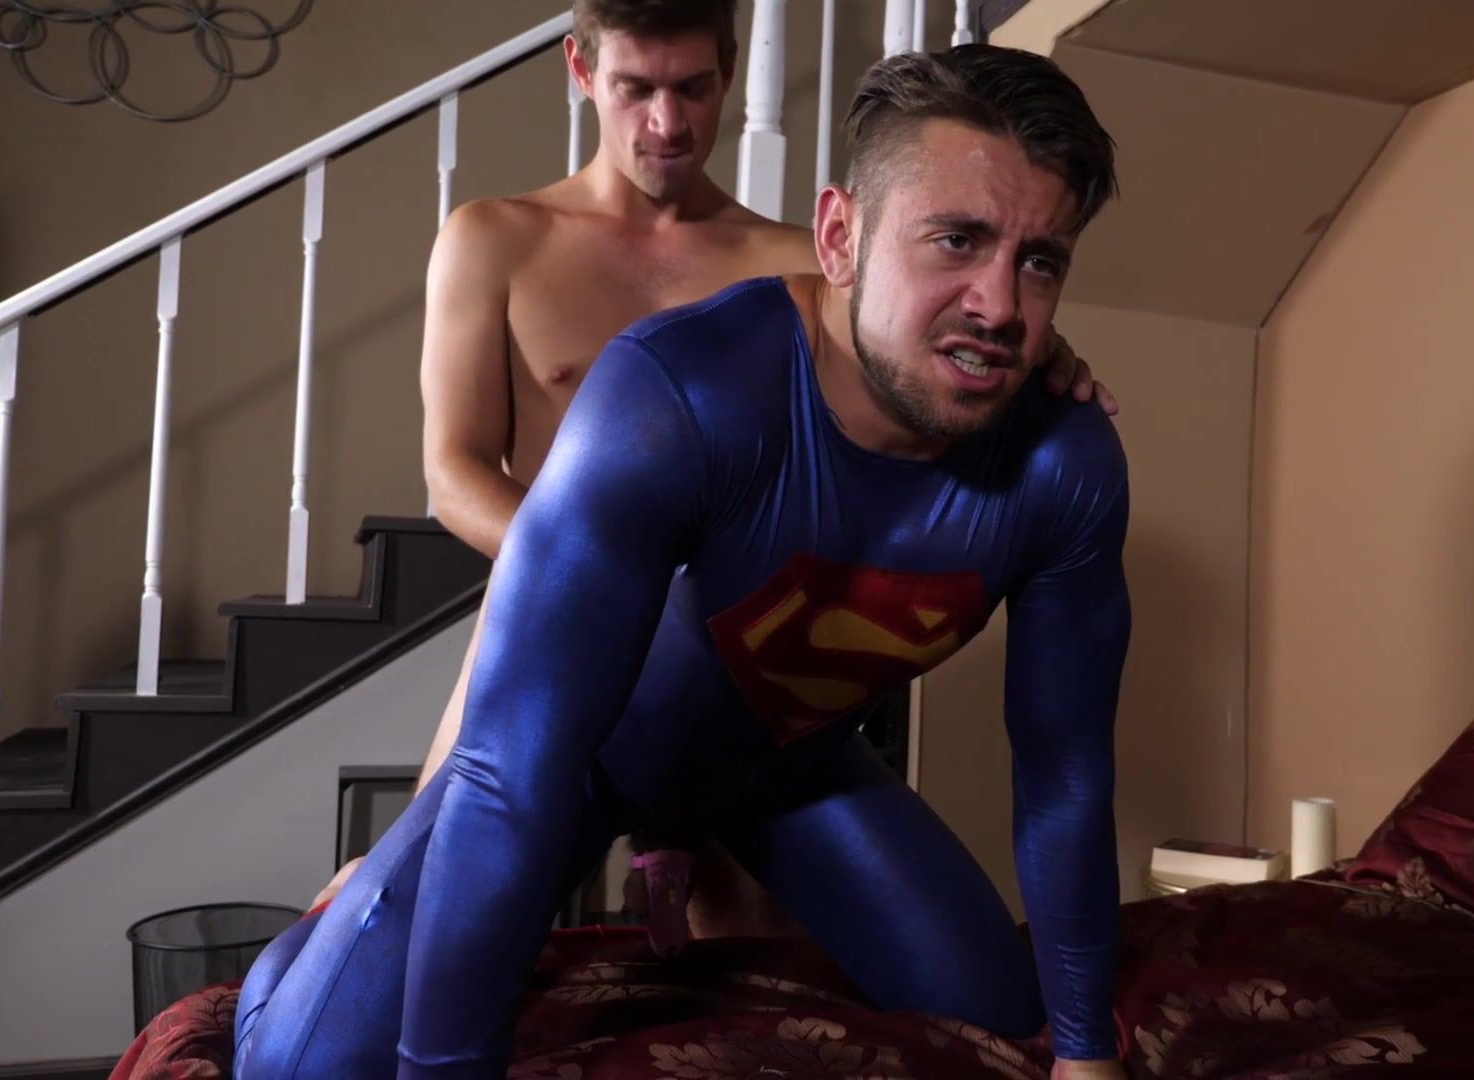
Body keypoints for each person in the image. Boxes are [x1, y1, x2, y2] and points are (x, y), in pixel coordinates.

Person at [236, 40, 1131, 1080]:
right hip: (580, 754)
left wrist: (1087, 1058)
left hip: (786, 765)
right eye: (956, 241)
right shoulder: (679, 395)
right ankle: (306, 954)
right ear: (839, 237)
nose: (1000, 306)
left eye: (1039, 261)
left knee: (996, 1014)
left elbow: (1065, 775)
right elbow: (510, 769)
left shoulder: (1068, 465)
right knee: (300, 1067)